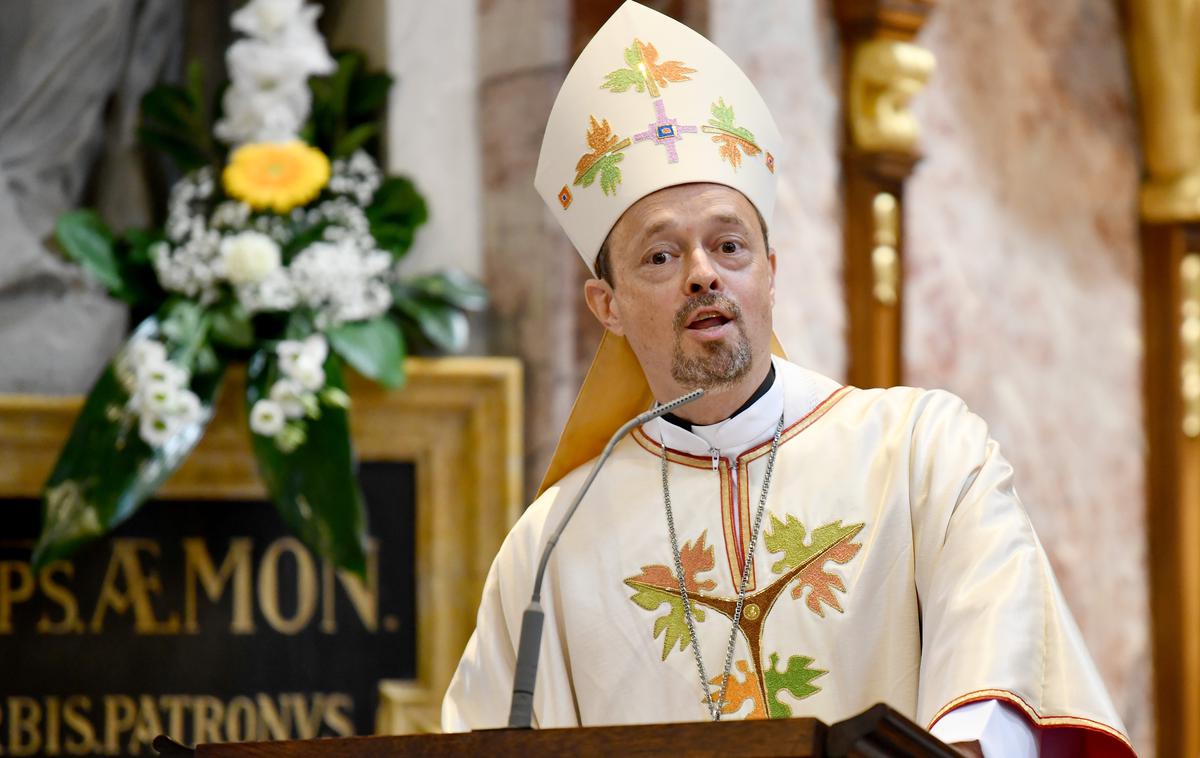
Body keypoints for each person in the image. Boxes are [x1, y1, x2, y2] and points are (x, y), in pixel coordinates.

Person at [443, 3, 1133, 756]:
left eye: (729, 245)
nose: (704, 274)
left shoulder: (924, 455)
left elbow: (997, 693)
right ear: (605, 306)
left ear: (771, 272)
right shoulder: (552, 544)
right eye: (662, 257)